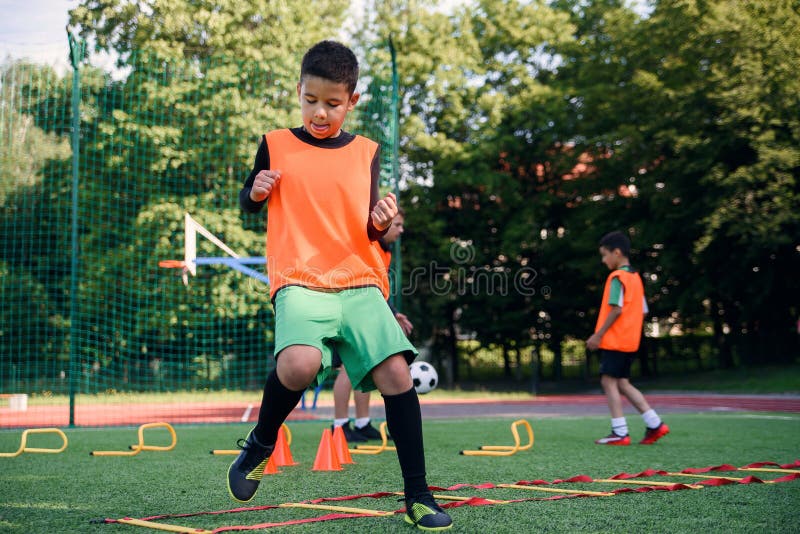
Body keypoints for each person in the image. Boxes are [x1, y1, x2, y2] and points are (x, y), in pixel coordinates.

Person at [230, 40, 452, 530]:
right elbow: (249, 198)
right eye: (311, 100)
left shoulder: (365, 153)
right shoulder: (275, 142)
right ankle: (260, 444)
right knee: (300, 364)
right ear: (299, 91)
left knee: (396, 375)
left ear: (352, 101)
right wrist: (254, 191)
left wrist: (379, 219)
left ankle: (418, 496)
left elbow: (369, 226)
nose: (320, 112)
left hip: (357, 280)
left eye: (332, 103)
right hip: (300, 277)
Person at [332, 210, 412, 443]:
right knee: (347, 369)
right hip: (347, 305)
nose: (400, 230)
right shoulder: (369, 244)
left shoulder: (383, 251)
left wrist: (393, 313)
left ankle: (362, 422)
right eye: (397, 224)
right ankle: (339, 426)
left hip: (366, 307)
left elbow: (377, 287)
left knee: (365, 366)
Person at [586, 231, 669, 446]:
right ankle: (655, 423)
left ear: (617, 252)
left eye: (604, 255)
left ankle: (619, 431)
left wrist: (598, 335)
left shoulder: (617, 277)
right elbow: (642, 311)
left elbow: (616, 309)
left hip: (615, 340)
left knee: (608, 381)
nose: (603, 260)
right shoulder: (636, 278)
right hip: (630, 341)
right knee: (622, 382)